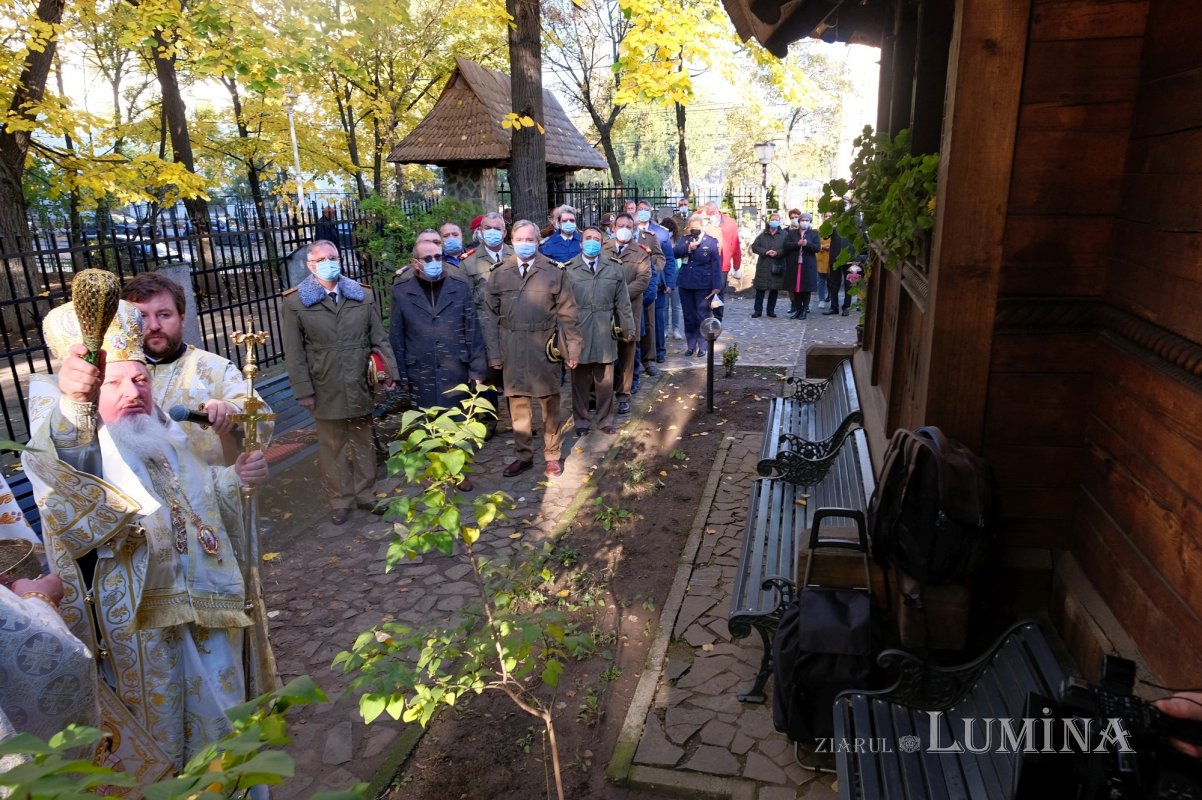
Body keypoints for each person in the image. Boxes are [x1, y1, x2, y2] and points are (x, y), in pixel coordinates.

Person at [22, 298, 269, 778]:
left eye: (140, 380)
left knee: (228, 729)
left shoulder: (160, 432)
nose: (133, 391)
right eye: (113, 383)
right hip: (143, 628)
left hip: (205, 608)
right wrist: (75, 406)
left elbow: (193, 496)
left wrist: (233, 478)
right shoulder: (81, 442)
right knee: (170, 746)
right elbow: (69, 478)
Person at [281, 239, 397, 525]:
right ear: (310, 265)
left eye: (333, 257)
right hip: (325, 383)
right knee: (332, 446)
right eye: (321, 259)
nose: (329, 263)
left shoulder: (362, 295)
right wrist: (303, 390)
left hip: (359, 380)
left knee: (363, 441)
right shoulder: (295, 302)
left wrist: (389, 373)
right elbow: (294, 352)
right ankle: (340, 500)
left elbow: (379, 338)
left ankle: (366, 495)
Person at [121, 272, 274, 468]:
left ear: (182, 318)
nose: (154, 326)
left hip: (208, 484)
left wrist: (231, 410)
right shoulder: (112, 374)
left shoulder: (215, 368)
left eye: (164, 315)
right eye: (141, 316)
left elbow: (261, 413)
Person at [481, 220, 583, 478]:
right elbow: (489, 317)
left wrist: (572, 350)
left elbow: (568, 314)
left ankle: (552, 455)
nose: (524, 244)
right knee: (518, 405)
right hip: (511, 346)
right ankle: (523, 455)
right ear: (511, 241)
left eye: (530, 240)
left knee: (550, 404)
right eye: (519, 240)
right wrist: (494, 354)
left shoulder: (554, 271)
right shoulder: (500, 273)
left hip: (544, 345)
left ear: (538, 241)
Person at [563, 226, 635, 437]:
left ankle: (605, 420)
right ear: (581, 243)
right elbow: (562, 306)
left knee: (605, 380)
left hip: (605, 330)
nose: (592, 242)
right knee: (580, 380)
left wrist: (628, 328)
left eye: (596, 238)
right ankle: (581, 421)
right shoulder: (567, 269)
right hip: (579, 331)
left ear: (602, 244)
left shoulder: (614, 268)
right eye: (588, 238)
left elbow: (623, 303)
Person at [460, 212, 513, 439]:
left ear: (504, 231)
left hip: (512, 326)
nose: (492, 232)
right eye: (487, 228)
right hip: (484, 329)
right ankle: (489, 421)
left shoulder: (515, 255)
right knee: (488, 377)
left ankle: (520, 420)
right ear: (480, 232)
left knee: (514, 375)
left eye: (496, 228)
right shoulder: (468, 262)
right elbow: (466, 302)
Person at [603, 213, 653, 416]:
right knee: (605, 356)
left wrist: (618, 296)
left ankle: (623, 396)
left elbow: (643, 281)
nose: (624, 229)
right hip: (603, 312)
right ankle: (602, 396)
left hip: (629, 313)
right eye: (620, 225)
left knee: (627, 356)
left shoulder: (641, 253)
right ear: (613, 228)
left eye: (628, 226)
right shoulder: (603, 248)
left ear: (633, 229)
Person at [673, 213, 723, 357]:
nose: (693, 230)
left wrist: (717, 286)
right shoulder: (685, 240)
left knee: (703, 315)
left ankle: (703, 345)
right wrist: (689, 248)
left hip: (703, 284)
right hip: (686, 283)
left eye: (696, 227)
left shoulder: (711, 242)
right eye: (691, 227)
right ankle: (691, 345)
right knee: (689, 316)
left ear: (702, 227)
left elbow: (716, 265)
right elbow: (675, 252)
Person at [636, 201, 675, 364]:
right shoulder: (630, 231)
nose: (643, 212)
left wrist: (669, 282)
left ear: (651, 212)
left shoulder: (661, 233)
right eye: (640, 209)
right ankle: (640, 353)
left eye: (646, 209)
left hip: (656, 284)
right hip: (635, 284)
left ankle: (659, 351)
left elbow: (668, 259)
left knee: (656, 320)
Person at [701, 201, 741, 319]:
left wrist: (736, 265)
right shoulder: (703, 221)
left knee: (719, 291)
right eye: (709, 212)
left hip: (722, 263)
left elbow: (735, 245)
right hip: (705, 263)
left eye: (712, 212)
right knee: (704, 290)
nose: (711, 214)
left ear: (717, 210)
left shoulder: (729, 223)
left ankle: (717, 319)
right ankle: (705, 317)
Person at [750, 211, 788, 318]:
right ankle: (758, 311)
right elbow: (754, 247)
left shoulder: (784, 234)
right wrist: (765, 251)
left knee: (774, 289)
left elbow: (787, 248)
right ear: (769, 220)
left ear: (779, 222)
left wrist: (777, 253)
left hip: (777, 265)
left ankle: (770, 311)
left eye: (776, 220)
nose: (774, 221)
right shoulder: (762, 234)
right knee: (760, 289)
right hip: (763, 264)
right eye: (772, 219)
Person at [783, 210, 820, 319]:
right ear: (799, 221)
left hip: (807, 265)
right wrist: (797, 244)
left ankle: (804, 310)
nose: (804, 222)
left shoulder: (814, 233)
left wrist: (807, 244)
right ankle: (798, 309)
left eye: (807, 220)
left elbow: (817, 248)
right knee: (795, 288)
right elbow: (786, 245)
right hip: (794, 264)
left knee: (806, 288)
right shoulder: (792, 233)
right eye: (802, 220)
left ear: (810, 222)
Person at [660, 216, 686, 341]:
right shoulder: (660, 241)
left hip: (677, 276)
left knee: (676, 306)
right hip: (664, 276)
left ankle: (676, 329)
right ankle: (664, 329)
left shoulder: (678, 241)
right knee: (664, 306)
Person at [823, 224, 853, 317]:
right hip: (835, 258)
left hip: (849, 257)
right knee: (833, 284)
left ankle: (846, 307)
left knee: (848, 284)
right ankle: (834, 307)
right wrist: (830, 227)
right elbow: (825, 236)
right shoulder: (834, 222)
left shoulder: (853, 220)